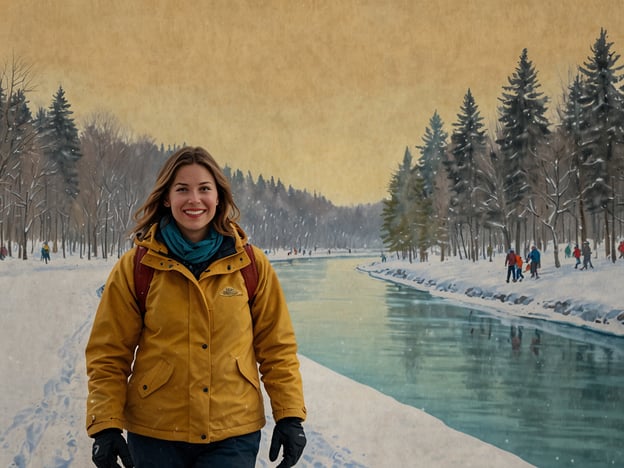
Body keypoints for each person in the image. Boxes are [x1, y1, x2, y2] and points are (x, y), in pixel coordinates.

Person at [85, 147, 307, 468]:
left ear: (219, 198)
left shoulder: (251, 264)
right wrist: (105, 424)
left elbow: (277, 349)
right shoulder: (137, 266)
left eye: (204, 189)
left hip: (233, 432)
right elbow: (108, 354)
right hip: (156, 432)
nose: (194, 199)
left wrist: (289, 415)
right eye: (182, 189)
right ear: (166, 198)